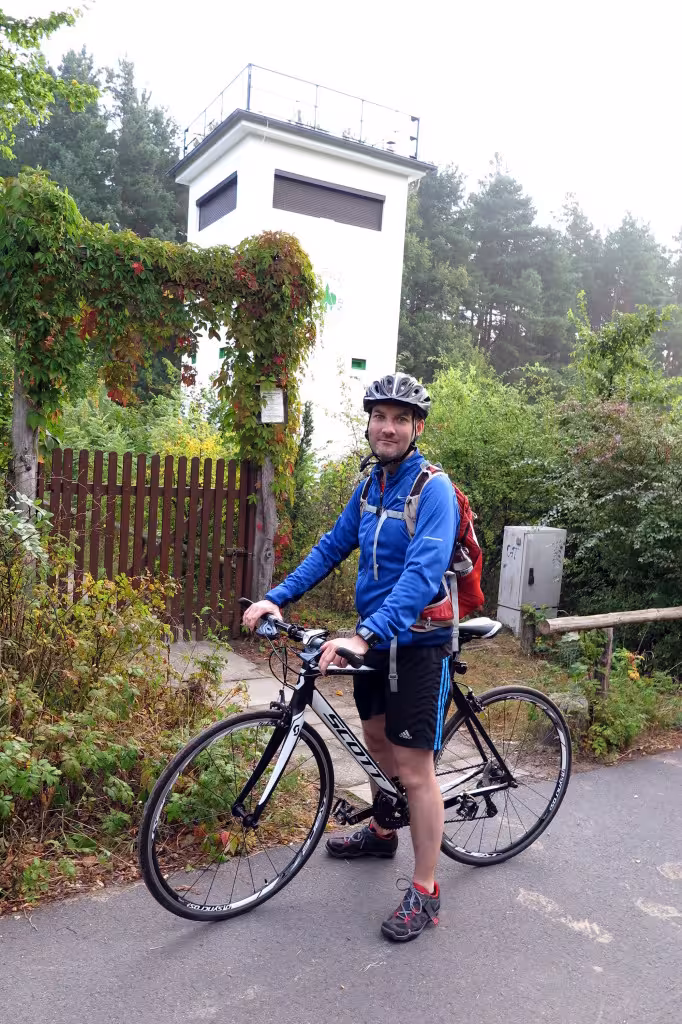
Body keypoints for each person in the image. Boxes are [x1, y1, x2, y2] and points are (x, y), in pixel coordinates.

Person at [243, 372, 459, 942]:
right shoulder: (369, 487)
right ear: (369, 424)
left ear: (416, 427)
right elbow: (333, 546)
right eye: (378, 417)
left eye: (399, 419)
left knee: (415, 771)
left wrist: (367, 634)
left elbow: (421, 575)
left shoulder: (431, 489)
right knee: (378, 744)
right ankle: (383, 832)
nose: (386, 427)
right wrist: (277, 595)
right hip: (376, 638)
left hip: (418, 644)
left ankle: (427, 890)